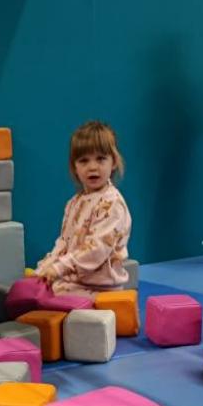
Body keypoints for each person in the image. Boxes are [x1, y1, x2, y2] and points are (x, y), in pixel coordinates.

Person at [34, 120, 132, 298]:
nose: (92, 167)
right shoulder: (74, 202)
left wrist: (59, 267)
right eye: (84, 161)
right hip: (74, 282)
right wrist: (47, 266)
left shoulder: (112, 204)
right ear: (75, 167)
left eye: (100, 159)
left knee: (48, 299)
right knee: (32, 292)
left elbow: (96, 249)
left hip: (101, 288)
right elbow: (64, 243)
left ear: (113, 162)